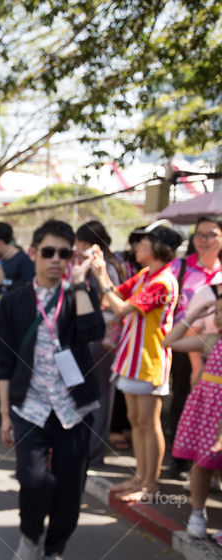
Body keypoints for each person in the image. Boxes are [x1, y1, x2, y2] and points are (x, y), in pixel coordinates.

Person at [0, 219, 104, 560]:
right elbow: (3, 362)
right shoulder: (13, 301)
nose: (57, 260)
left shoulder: (78, 294)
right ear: (33, 253)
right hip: (31, 407)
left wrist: (79, 283)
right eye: (49, 252)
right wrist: (6, 414)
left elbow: (94, 334)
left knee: (71, 488)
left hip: (74, 409)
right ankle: (29, 539)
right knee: (34, 481)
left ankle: (54, 552)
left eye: (65, 253)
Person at [89, 223, 183, 503]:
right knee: (136, 420)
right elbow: (115, 297)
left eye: (143, 243)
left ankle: (150, 483)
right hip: (132, 359)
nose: (136, 247)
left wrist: (100, 274)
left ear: (157, 248)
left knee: (148, 422)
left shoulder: (162, 282)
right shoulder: (146, 275)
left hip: (149, 360)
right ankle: (140, 476)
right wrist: (102, 272)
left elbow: (118, 308)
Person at [165, 215, 222, 478]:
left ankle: (206, 464)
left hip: (212, 350)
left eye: (212, 234)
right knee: (183, 401)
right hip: (185, 345)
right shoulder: (179, 267)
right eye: (200, 234)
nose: (206, 240)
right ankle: (179, 460)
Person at [163, 294, 222, 539]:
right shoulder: (212, 339)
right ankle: (197, 514)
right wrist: (194, 316)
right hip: (205, 408)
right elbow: (170, 340)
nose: (218, 317)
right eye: (217, 312)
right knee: (201, 463)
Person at [75, 220, 126, 466]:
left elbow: (109, 301)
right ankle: (90, 451)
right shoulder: (114, 262)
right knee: (100, 395)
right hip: (104, 337)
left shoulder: (102, 266)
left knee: (99, 397)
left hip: (102, 337)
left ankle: (92, 453)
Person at [0, 222, 35, 422]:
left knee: (9, 363)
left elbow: (29, 291)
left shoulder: (23, 261)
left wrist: (5, 282)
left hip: (16, 322)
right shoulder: (1, 262)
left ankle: (10, 409)